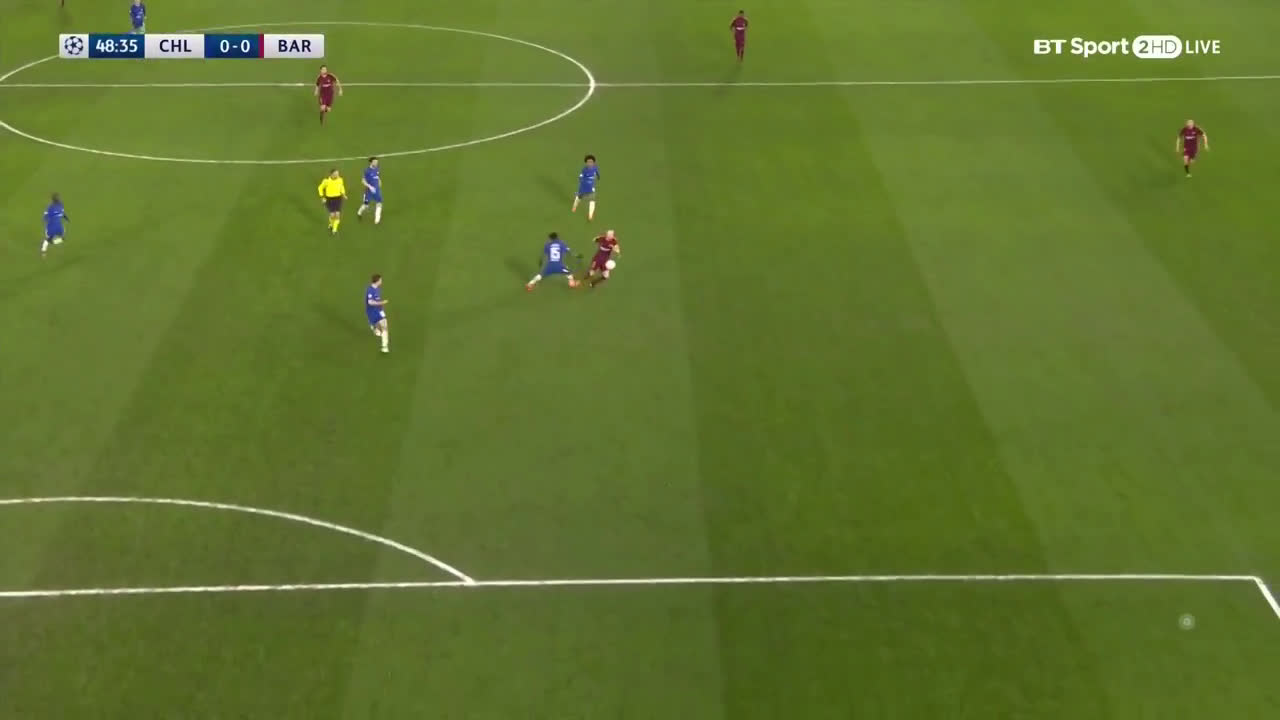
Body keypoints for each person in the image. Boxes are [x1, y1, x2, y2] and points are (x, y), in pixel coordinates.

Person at [571, 154, 600, 221]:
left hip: (591, 188)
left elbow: (597, 171)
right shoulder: (584, 170)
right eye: (588, 162)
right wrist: (582, 181)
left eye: (591, 162)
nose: (589, 163)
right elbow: (580, 177)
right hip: (583, 187)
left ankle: (590, 215)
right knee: (579, 197)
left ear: (593, 162)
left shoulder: (595, 168)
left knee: (592, 201)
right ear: (586, 163)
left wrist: (598, 176)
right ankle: (574, 206)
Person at [317, 168, 346, 234]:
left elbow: (341, 187)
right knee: (332, 215)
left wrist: (343, 194)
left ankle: (334, 229)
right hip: (329, 199)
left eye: (338, 174)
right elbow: (320, 188)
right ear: (332, 174)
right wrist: (322, 197)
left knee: (337, 214)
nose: (337, 175)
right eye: (336, 174)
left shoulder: (340, 180)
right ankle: (331, 224)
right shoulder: (326, 181)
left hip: (338, 198)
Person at [365, 274, 389, 353]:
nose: (381, 282)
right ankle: (374, 327)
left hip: (379, 311)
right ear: (377, 281)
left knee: (384, 326)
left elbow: (377, 300)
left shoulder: (378, 289)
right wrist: (381, 303)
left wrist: (381, 308)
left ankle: (384, 347)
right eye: (380, 280)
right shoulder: (370, 290)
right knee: (381, 327)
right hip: (372, 312)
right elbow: (370, 302)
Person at [41, 193, 69, 257]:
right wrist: (66, 218)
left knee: (47, 239)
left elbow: (45, 218)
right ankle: (53, 242)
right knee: (62, 238)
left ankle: (43, 251)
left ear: (52, 200)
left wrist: (46, 219)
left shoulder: (49, 207)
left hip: (51, 227)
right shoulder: (61, 205)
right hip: (59, 227)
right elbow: (63, 214)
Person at [357, 157, 382, 224]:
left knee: (379, 202)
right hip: (369, 191)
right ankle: (359, 212)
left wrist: (379, 181)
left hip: (376, 190)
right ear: (371, 162)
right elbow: (363, 181)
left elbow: (377, 176)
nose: (376, 163)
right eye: (375, 162)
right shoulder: (367, 171)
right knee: (366, 205)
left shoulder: (377, 169)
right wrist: (370, 187)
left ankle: (377, 218)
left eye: (377, 162)